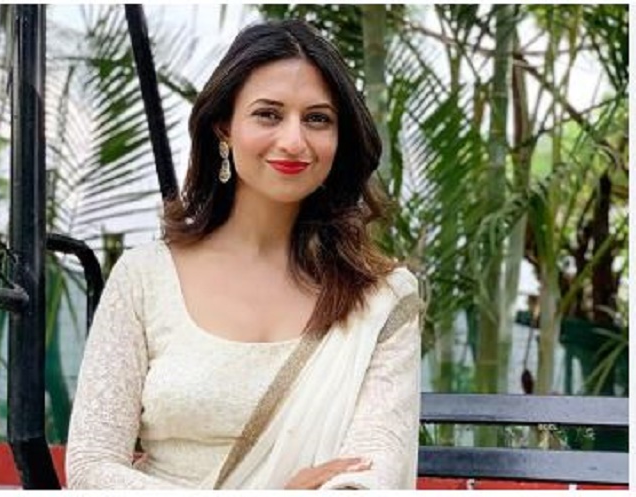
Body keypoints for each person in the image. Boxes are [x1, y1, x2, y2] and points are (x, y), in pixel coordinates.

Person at [66, 19, 425, 490]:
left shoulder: (379, 299)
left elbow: (370, 473)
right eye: (268, 115)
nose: (293, 141)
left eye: (317, 119)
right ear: (224, 127)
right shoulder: (145, 277)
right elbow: (91, 466)